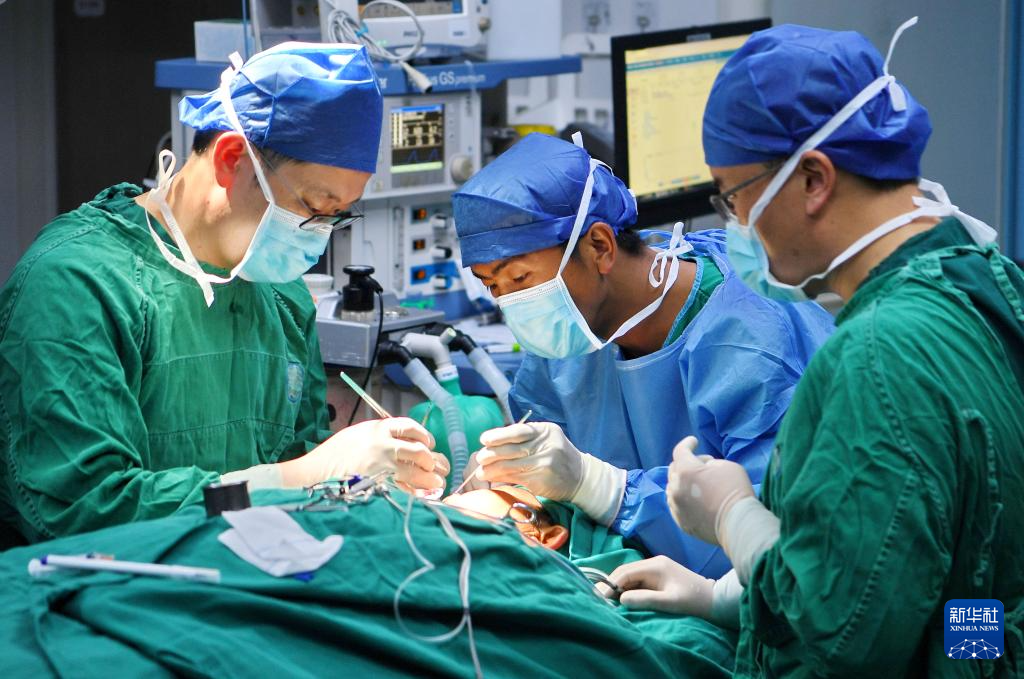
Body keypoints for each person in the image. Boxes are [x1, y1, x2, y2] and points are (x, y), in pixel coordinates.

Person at [608, 19, 1024, 676]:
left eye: (733, 196)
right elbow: (959, 583)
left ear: (813, 179)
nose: (734, 223)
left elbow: (845, 635)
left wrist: (732, 515)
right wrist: (724, 600)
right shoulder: (984, 275)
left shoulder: (879, 357)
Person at [0, 43, 446, 547]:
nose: (319, 235)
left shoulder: (281, 295)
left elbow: (301, 470)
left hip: (246, 577)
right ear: (232, 159)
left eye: (338, 216)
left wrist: (359, 479)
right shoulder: (76, 285)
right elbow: (85, 510)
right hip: (101, 585)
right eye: (313, 206)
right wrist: (298, 478)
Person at [450, 132, 834, 577]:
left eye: (519, 279)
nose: (511, 303)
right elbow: (544, 458)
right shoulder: (569, 332)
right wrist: (513, 475)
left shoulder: (753, 341)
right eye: (491, 286)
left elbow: (780, 534)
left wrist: (602, 488)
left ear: (599, 246)